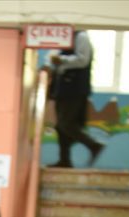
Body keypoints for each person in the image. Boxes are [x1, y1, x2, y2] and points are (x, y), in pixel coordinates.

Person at [47, 31, 103, 168]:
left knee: (66, 124)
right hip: (63, 89)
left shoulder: (81, 36)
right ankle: (65, 160)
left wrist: (62, 60)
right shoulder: (65, 37)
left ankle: (94, 145)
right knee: (61, 127)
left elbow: (83, 60)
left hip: (75, 89)